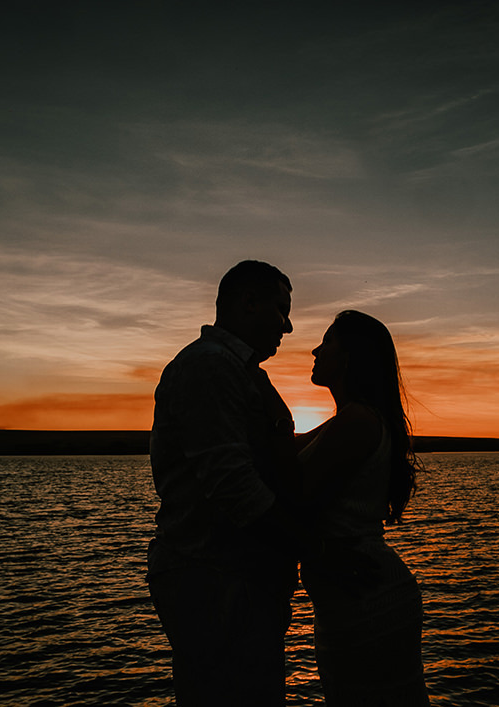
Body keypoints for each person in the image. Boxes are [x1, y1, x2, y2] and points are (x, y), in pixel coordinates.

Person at [147, 260, 300, 706]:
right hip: (216, 584)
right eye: (281, 309)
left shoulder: (238, 370)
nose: (287, 327)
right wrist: (315, 548)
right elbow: (234, 487)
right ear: (248, 302)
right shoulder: (210, 367)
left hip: (236, 583)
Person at [296, 310, 430, 705]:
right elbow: (280, 452)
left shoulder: (358, 421)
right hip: (351, 594)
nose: (316, 350)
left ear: (350, 357)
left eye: (329, 341)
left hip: (366, 596)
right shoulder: (346, 420)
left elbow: (294, 494)